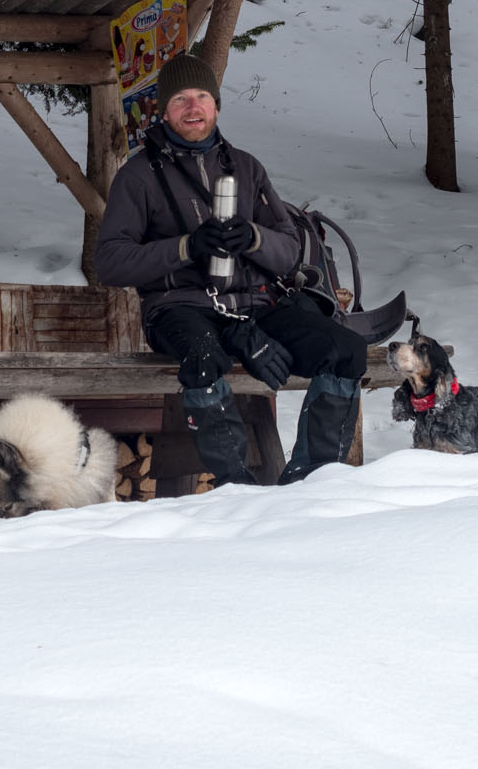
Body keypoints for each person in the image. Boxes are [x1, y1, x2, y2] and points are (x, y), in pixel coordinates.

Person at [95, 53, 368, 486]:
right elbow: (109, 261)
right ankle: (236, 490)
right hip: (179, 307)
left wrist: (254, 239)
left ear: (216, 106)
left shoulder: (246, 168)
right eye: (181, 99)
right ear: (164, 111)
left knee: (348, 351)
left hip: (257, 303)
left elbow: (292, 250)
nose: (193, 107)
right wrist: (187, 247)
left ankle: (315, 483)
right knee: (204, 358)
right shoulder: (138, 176)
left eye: (202, 96)